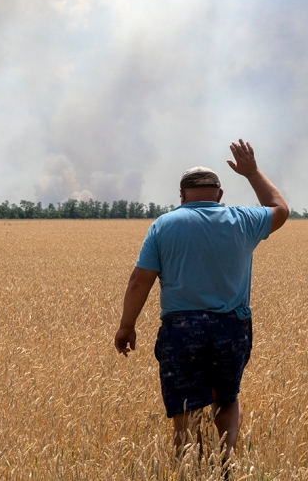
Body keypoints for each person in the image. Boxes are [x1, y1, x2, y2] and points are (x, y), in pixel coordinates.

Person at [113, 139, 289, 463]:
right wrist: (251, 173)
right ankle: (224, 462)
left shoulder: (163, 225)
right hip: (232, 328)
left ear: (181, 195)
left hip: (181, 329)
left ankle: (188, 465)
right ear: (220, 195)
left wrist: (126, 327)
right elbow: (280, 209)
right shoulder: (244, 220)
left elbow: (140, 280)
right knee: (226, 397)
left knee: (186, 405)